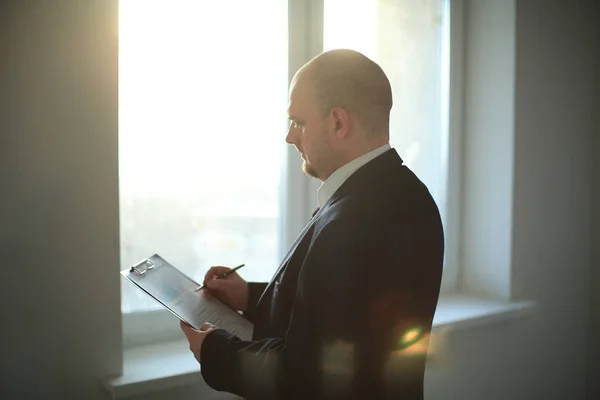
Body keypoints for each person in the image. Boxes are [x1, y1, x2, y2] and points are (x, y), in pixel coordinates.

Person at [180, 49, 444, 400]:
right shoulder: (407, 195)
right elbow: (343, 313)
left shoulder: (354, 219)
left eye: (298, 121)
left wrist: (214, 350)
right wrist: (250, 296)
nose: (291, 137)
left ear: (337, 122)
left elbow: (307, 377)